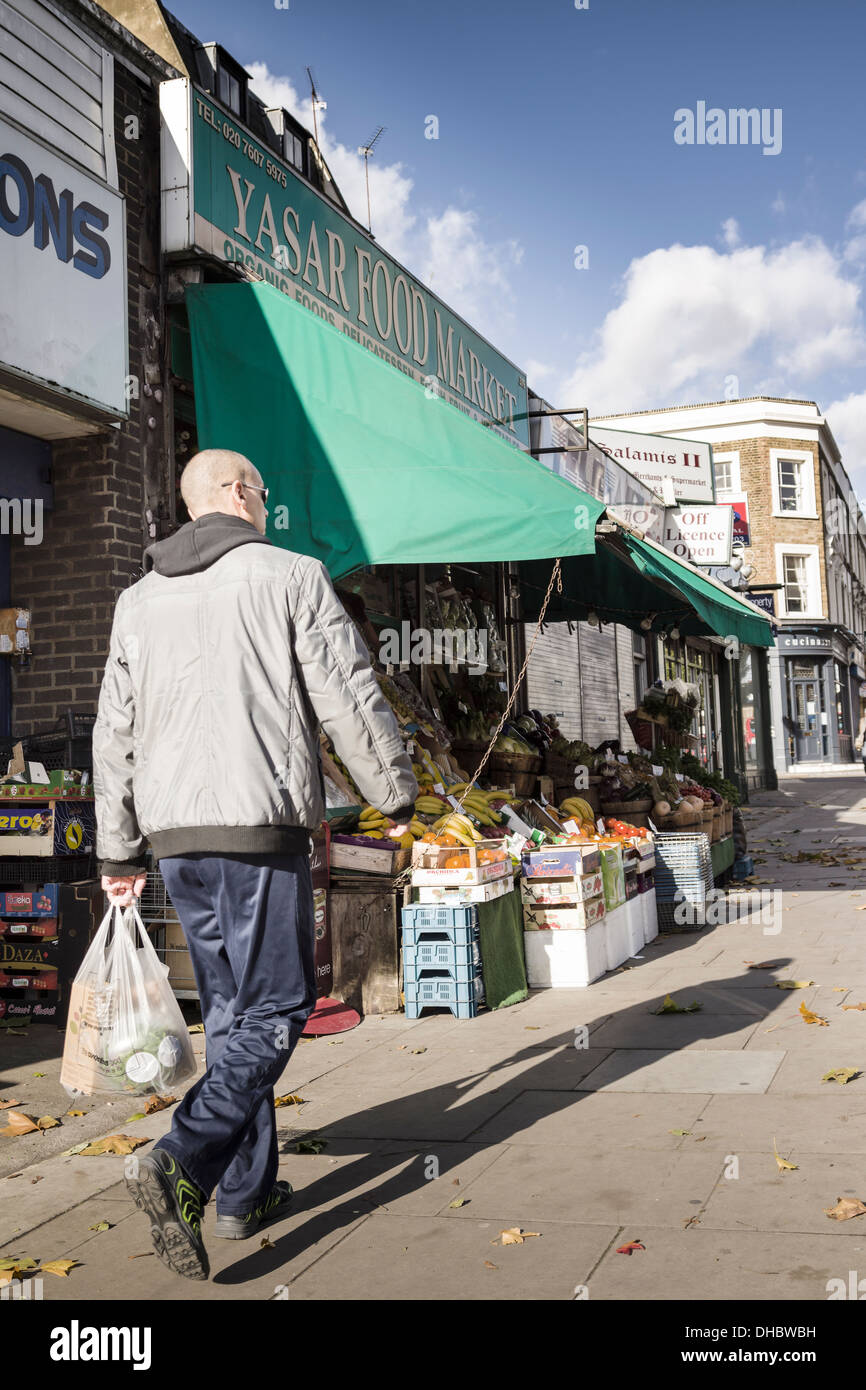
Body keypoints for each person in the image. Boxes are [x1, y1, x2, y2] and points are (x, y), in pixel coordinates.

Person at [92, 449, 417, 1280]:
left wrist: (118, 847)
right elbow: (346, 689)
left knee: (233, 1011)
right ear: (236, 495)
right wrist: (395, 790)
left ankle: (243, 1194)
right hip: (258, 826)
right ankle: (183, 1160)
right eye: (262, 492)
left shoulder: (137, 600)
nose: (266, 505)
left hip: (176, 839)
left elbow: (113, 732)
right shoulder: (291, 576)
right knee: (277, 1006)